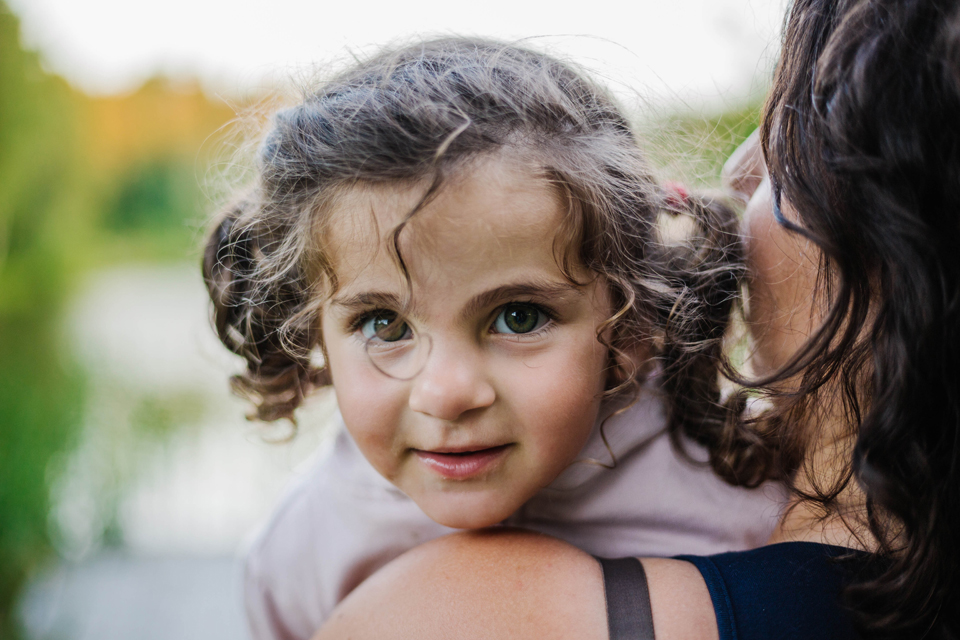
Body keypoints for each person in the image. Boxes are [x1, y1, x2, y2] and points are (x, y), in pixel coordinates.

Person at [311, 1, 960, 639]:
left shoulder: (445, 615)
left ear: (904, 224)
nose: (738, 170)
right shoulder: (335, 523)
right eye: (384, 325)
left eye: (801, 132)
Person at [202, 39, 785, 640]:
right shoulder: (302, 555)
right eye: (384, 325)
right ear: (312, 335)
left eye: (519, 318)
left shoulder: (750, 496)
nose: (447, 393)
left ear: (632, 325)